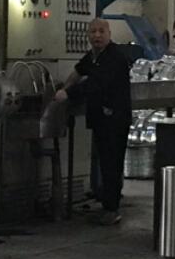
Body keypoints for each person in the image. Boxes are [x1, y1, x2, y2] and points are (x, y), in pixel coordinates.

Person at [55, 19, 131, 226]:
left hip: (114, 119)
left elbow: (95, 83)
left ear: (109, 34)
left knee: (112, 164)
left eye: (101, 31)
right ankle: (107, 205)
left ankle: (112, 210)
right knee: (105, 163)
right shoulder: (94, 56)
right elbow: (79, 71)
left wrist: (68, 94)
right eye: (93, 32)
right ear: (88, 35)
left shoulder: (114, 57)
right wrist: (65, 86)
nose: (97, 35)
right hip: (101, 119)